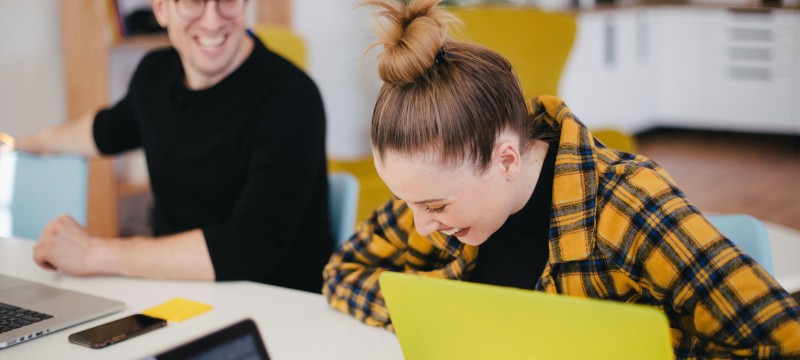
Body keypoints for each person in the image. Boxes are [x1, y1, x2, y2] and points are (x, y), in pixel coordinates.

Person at [322, 0, 800, 357]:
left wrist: (631, 346)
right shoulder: (439, 198)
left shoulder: (627, 204)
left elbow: (782, 341)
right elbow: (342, 274)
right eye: (408, 202)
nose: (420, 225)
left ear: (506, 158)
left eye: (436, 207)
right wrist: (450, 316)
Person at [15, 0, 333, 293]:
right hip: (179, 292)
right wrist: (31, 141)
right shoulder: (155, 74)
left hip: (278, 307)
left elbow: (251, 244)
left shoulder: (291, 97)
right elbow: (107, 129)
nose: (211, 21)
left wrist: (92, 253)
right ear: (161, 9)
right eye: (192, 1)